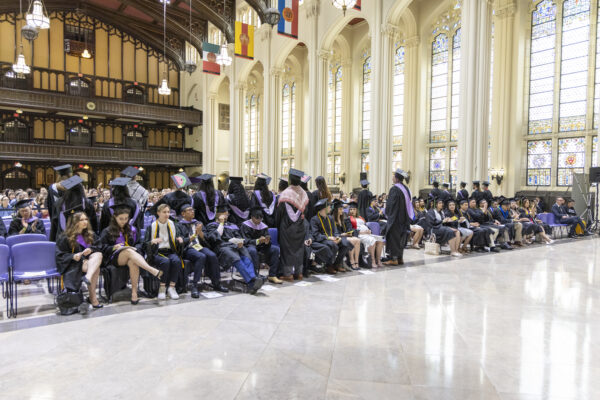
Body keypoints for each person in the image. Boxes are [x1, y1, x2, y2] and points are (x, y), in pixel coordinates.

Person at [98, 204, 163, 304]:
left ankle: (134, 293)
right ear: (115, 218)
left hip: (131, 256)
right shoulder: (107, 231)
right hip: (114, 258)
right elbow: (101, 247)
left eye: (126, 218)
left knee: (133, 261)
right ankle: (151, 270)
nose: (124, 221)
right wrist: (114, 247)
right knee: (128, 251)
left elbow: (139, 244)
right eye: (121, 219)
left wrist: (142, 245)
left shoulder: (132, 230)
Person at [205, 205, 264, 294]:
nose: (226, 217)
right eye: (224, 215)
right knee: (235, 257)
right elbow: (215, 237)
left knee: (246, 255)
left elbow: (239, 236)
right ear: (218, 215)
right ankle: (251, 282)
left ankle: (253, 278)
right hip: (223, 247)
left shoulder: (232, 225)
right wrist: (221, 223)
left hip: (236, 246)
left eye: (227, 215)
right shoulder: (211, 225)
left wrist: (240, 241)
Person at [177, 204, 229, 297]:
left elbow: (205, 239)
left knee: (212, 255)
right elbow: (181, 242)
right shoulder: (178, 225)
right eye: (189, 210)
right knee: (201, 256)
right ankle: (194, 286)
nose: (192, 211)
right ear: (183, 213)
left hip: (199, 246)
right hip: (188, 248)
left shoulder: (198, 223)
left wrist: (200, 232)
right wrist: (193, 236)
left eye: (193, 209)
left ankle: (216, 283)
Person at [55, 212, 104, 308]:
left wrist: (91, 249)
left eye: (86, 219)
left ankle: (88, 278)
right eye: (81, 220)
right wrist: (72, 256)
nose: (85, 222)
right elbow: (59, 255)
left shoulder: (90, 235)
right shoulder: (65, 237)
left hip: (88, 263)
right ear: (74, 222)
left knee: (98, 254)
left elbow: (100, 247)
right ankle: (93, 299)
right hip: (74, 265)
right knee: (96, 269)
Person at [276, 168, 311, 281]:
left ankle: (288, 274)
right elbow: (306, 211)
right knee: (299, 249)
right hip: (300, 226)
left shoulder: (286, 193)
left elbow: (280, 213)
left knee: (287, 250)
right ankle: (298, 273)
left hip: (287, 227)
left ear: (290, 180)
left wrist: (278, 225)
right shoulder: (304, 194)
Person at [143, 204, 184, 300]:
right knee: (165, 262)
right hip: (157, 252)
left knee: (176, 261)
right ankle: (162, 288)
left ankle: (172, 288)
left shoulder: (173, 225)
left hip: (170, 251)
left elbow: (178, 238)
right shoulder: (152, 226)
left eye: (168, 212)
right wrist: (151, 242)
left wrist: (180, 240)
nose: (167, 214)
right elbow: (144, 244)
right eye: (164, 212)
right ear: (158, 213)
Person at [241, 206, 282, 283]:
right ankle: (255, 275)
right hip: (250, 247)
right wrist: (257, 241)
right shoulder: (245, 225)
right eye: (257, 219)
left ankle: (272, 275)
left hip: (262, 247)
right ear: (252, 217)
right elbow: (246, 241)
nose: (259, 221)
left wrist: (267, 242)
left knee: (275, 249)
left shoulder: (263, 226)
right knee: (252, 250)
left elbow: (268, 239)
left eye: (261, 219)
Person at [310, 199, 351, 274]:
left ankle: (336, 264)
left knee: (346, 243)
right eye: (329, 207)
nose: (330, 209)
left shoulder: (330, 218)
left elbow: (335, 231)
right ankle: (329, 266)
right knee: (332, 245)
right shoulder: (314, 219)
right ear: (324, 209)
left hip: (331, 238)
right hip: (321, 239)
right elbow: (315, 234)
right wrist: (328, 238)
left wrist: (337, 237)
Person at [51, 175, 98, 241]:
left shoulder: (59, 203)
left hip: (63, 240)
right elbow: (94, 224)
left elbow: (54, 225)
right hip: (86, 239)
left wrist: (52, 241)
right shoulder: (87, 203)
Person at [383, 169, 412, 266]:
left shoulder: (394, 189)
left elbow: (391, 204)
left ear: (396, 178)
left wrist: (387, 213)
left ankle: (393, 259)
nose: (392, 178)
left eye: (393, 176)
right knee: (401, 238)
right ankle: (400, 258)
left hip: (395, 219)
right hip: (404, 218)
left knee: (393, 238)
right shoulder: (406, 188)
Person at [347, 202, 384, 268]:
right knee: (372, 240)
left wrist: (369, 230)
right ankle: (372, 261)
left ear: (356, 210)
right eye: (351, 209)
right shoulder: (348, 219)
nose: (352, 211)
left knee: (380, 240)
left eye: (354, 209)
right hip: (359, 235)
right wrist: (362, 232)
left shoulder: (360, 217)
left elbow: (365, 225)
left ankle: (378, 260)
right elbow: (350, 230)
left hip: (367, 234)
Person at [331, 199, 361, 271]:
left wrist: (349, 233)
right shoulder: (332, 220)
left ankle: (356, 262)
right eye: (340, 209)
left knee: (357, 240)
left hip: (345, 236)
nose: (342, 211)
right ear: (336, 210)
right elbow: (334, 233)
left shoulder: (343, 219)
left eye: (342, 209)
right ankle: (351, 261)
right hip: (338, 237)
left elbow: (348, 229)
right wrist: (342, 234)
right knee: (353, 241)